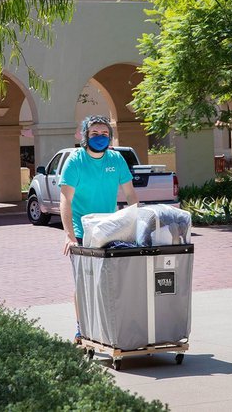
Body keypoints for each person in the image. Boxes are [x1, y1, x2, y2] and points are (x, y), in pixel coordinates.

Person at [59, 115, 138, 340]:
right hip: (83, 233)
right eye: (94, 134)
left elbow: (130, 194)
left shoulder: (116, 160)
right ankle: (82, 329)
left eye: (104, 134)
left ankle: (108, 327)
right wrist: (69, 236)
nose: (100, 138)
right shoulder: (75, 161)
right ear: (85, 136)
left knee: (110, 282)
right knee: (84, 284)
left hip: (110, 232)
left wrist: (137, 224)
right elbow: (66, 199)